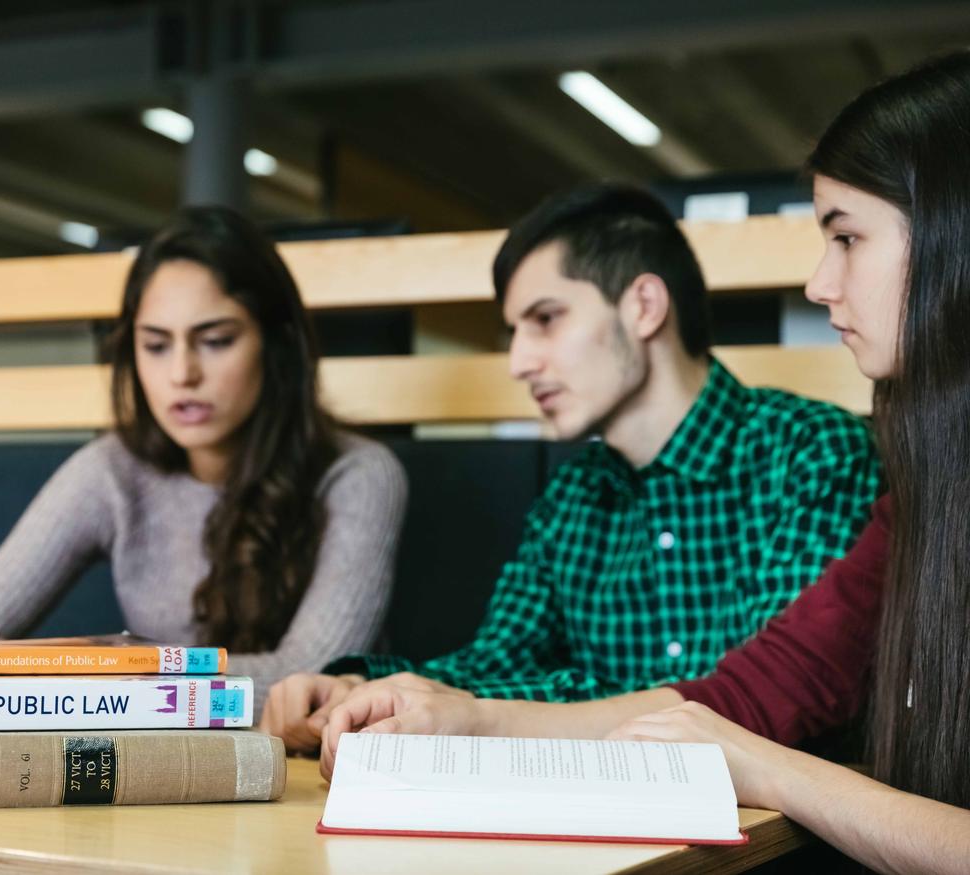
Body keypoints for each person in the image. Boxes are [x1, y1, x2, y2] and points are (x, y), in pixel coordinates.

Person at [319, 52, 970, 874]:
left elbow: (754, 723)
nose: (818, 283)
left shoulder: (814, 452)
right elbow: (743, 693)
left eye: (846, 236)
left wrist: (478, 713)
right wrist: (425, 702)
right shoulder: (923, 482)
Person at [261, 183, 880, 752]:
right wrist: (363, 689)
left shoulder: (812, 453)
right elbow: (495, 662)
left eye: (546, 319)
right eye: (513, 333)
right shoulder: (574, 496)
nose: (520, 362)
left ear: (643, 305)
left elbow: (754, 703)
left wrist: (483, 710)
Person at [0, 206, 407, 706]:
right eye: (156, 346)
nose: (182, 374)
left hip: (303, 763)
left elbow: (310, 675)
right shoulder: (111, 469)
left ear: (276, 346)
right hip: (154, 759)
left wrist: (116, 681)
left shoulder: (358, 473)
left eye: (215, 341)